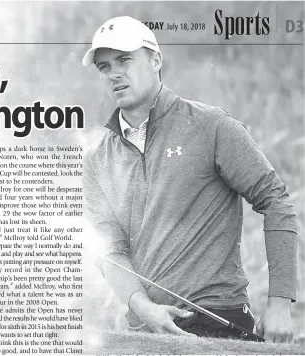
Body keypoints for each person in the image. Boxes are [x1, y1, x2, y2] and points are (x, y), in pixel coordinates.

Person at [81, 16, 297, 343]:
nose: (114, 73)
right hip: (143, 330)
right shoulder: (98, 159)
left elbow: (275, 201)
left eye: (125, 59)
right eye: (104, 66)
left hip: (216, 323)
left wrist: (280, 303)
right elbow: (110, 250)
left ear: (155, 60)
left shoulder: (211, 126)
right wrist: (142, 306)